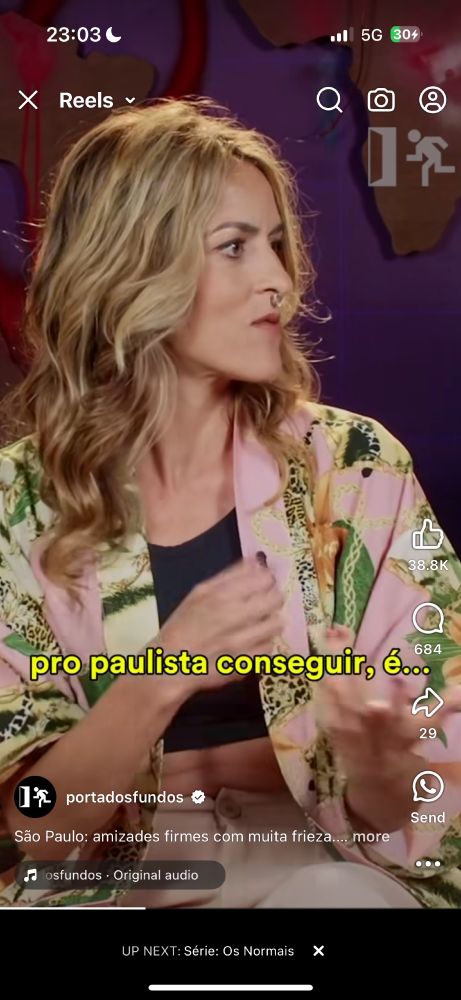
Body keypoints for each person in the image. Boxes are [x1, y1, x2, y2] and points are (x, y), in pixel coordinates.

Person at [0, 97, 460, 910]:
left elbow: (414, 809)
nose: (277, 280)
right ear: (130, 266)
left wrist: (383, 770)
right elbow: (26, 828)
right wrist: (165, 673)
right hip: (108, 883)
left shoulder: (355, 467)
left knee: (336, 898)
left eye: (277, 244)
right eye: (235, 247)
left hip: (318, 857)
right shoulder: (17, 503)